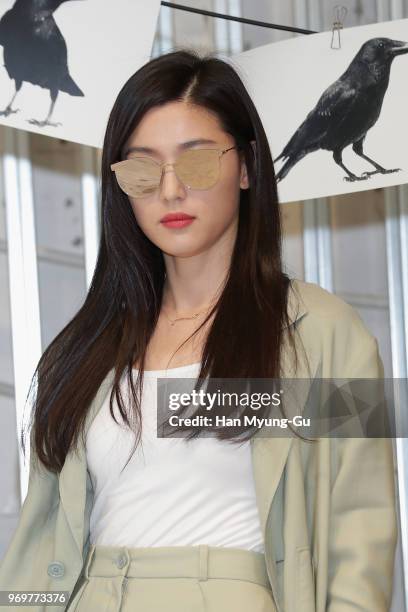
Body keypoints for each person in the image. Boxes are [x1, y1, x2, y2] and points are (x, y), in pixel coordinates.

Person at [0, 48, 397, 612]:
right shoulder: (80, 351)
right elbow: (37, 558)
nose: (170, 190)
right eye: (142, 167)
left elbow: (360, 538)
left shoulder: (326, 333)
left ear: (246, 166)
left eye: (197, 161)